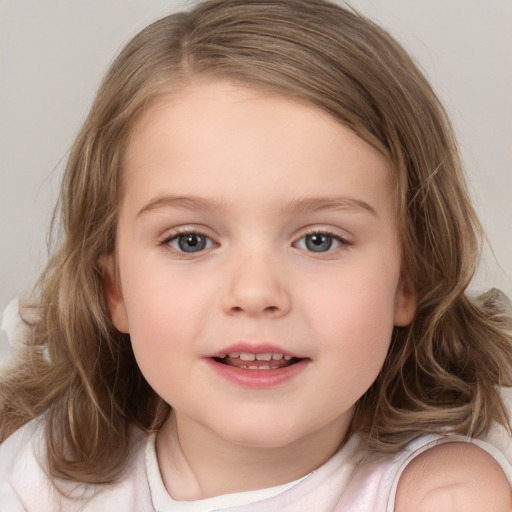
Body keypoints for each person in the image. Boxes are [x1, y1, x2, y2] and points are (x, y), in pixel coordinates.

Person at [0, 0, 511, 510]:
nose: (255, 292)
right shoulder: (42, 477)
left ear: (408, 280)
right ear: (116, 290)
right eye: (190, 240)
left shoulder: (442, 493)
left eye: (319, 240)